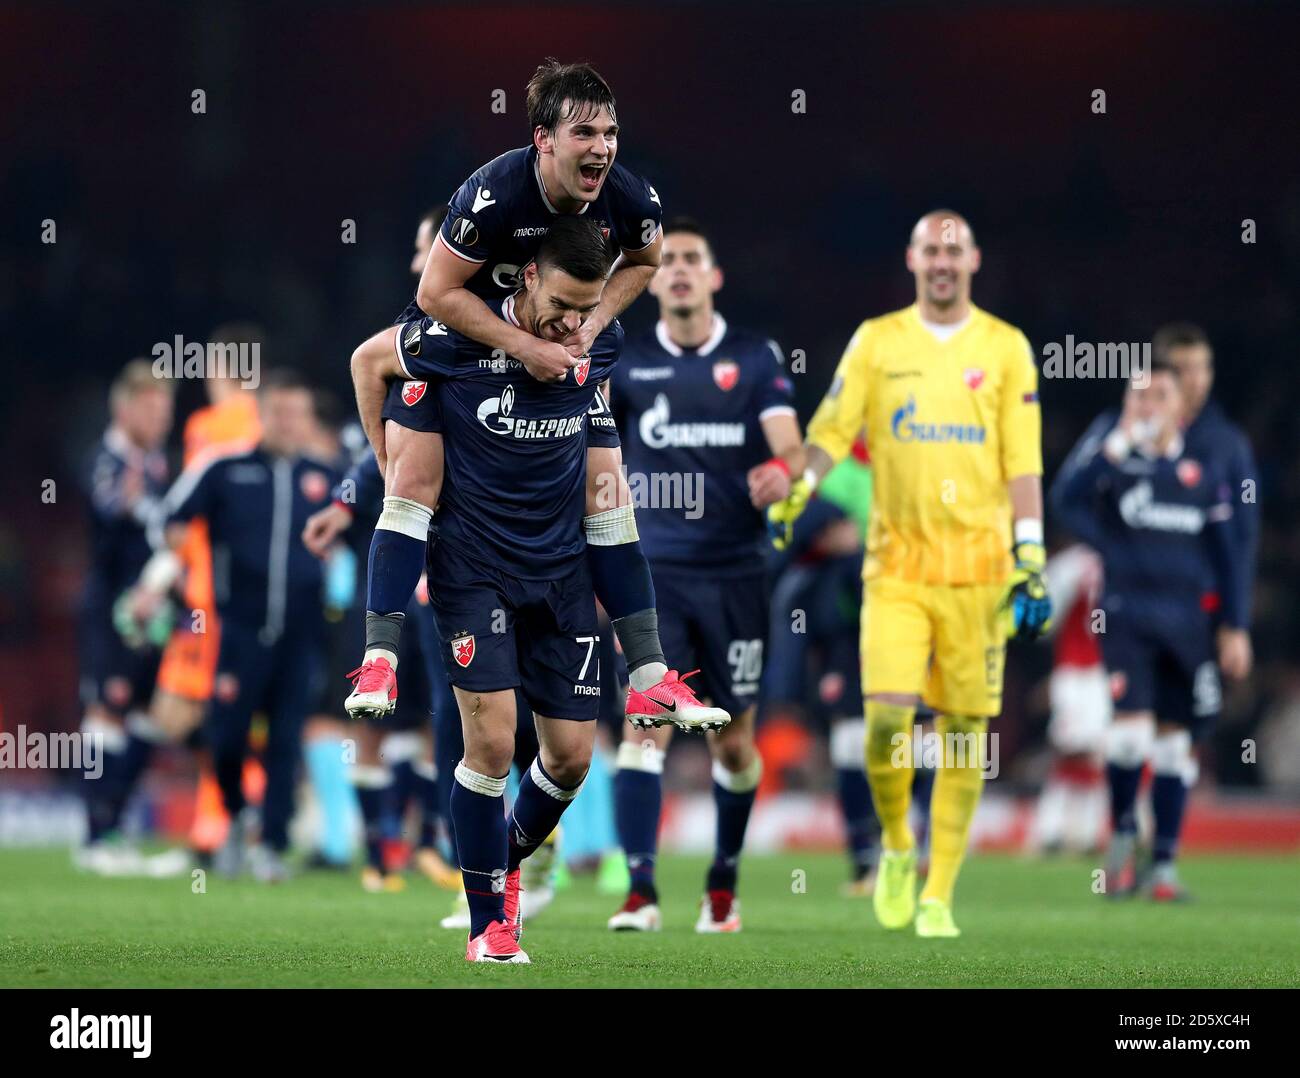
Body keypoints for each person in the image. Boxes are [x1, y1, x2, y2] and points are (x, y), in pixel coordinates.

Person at [344, 59, 727, 733]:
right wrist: (383, 460)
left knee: (609, 495)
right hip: (467, 344)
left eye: (610, 132)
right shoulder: (492, 194)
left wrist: (590, 327)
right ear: (543, 140)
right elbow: (433, 297)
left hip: (558, 345)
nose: (603, 147)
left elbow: (644, 261)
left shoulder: (631, 199)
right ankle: (379, 657)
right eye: (586, 133)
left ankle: (648, 676)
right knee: (411, 488)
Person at [767, 210, 1050, 938]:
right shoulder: (878, 341)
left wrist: (1031, 554)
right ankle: (897, 845)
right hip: (893, 568)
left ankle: (940, 893)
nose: (944, 261)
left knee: (960, 736)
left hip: (979, 575)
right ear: (913, 260)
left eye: (955, 249)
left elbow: (1023, 462)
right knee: (887, 721)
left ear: (975, 260)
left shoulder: (1007, 348)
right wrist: (799, 487)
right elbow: (830, 432)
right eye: (932, 250)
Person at [352, 216, 624, 963]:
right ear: (527, 274)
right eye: (565, 305)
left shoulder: (597, 343)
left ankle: (499, 863)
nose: (575, 325)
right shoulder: (441, 344)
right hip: (470, 568)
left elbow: (608, 482)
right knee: (490, 745)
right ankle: (487, 924)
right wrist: (382, 466)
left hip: (560, 571)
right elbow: (367, 365)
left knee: (569, 758)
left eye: (587, 308)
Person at [602, 217, 803, 933]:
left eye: (694, 259)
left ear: (715, 277)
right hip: (655, 576)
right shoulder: (625, 359)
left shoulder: (753, 359)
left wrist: (782, 470)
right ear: (653, 279)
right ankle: (640, 890)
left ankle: (722, 881)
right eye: (669, 260)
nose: (680, 269)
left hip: (737, 575)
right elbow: (596, 457)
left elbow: (792, 446)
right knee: (643, 728)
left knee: (734, 743)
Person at [1051, 358, 1250, 900]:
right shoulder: (1113, 467)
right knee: (1130, 734)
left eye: (1158, 396)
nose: (1146, 407)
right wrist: (1113, 448)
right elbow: (1065, 500)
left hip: (1187, 625)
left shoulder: (1203, 472)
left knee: (1173, 748)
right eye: (1137, 397)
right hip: (1127, 618)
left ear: (1180, 408)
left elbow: (1227, 555)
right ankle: (1120, 839)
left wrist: (1235, 624)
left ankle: (1163, 866)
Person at [137, 370, 339, 882]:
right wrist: (168, 572)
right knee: (225, 738)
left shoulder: (324, 475)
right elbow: (170, 517)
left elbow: (366, 530)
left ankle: (271, 845)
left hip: (301, 634)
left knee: (285, 741)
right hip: (239, 631)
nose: (290, 424)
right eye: (280, 414)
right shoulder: (223, 469)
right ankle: (234, 816)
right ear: (262, 415)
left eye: (298, 415)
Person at [76, 360, 176, 875]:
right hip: (109, 611)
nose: (162, 419)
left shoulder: (159, 465)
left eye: (167, 409)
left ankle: (115, 829)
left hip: (152, 616)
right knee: (105, 714)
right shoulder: (108, 461)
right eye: (152, 408)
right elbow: (110, 509)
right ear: (125, 408)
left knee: (145, 717)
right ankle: (94, 838)